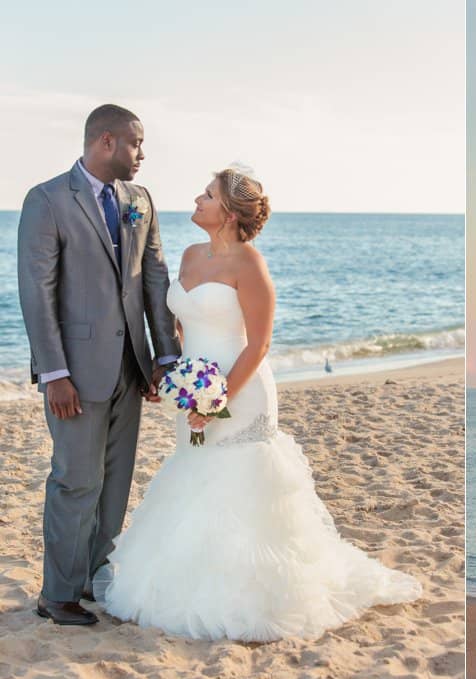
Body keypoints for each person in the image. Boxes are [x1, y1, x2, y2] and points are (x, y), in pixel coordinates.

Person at [94, 166, 422, 641]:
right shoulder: (188, 256)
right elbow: (181, 325)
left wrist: (218, 396)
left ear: (226, 213)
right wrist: (181, 379)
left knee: (238, 481)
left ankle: (250, 593)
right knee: (195, 475)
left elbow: (259, 345)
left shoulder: (250, 265)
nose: (197, 199)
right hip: (195, 386)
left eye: (206, 195)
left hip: (241, 388)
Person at [17, 104, 180, 626]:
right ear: (106, 141)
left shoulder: (141, 200)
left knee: (114, 485)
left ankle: (92, 581)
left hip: (130, 368)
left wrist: (164, 358)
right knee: (76, 481)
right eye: (136, 143)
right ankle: (57, 595)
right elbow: (36, 294)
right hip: (76, 375)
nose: (142, 154)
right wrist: (54, 373)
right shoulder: (46, 201)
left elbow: (154, 279)